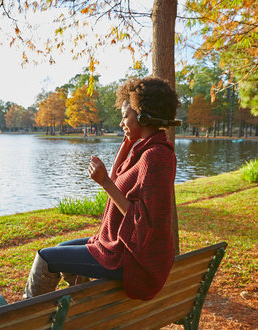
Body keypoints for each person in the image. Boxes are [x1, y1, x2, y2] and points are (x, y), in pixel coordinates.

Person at [23, 77, 180, 300]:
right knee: (61, 248)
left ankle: (26, 321)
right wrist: (126, 144)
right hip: (117, 246)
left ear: (144, 116)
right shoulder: (145, 150)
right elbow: (117, 179)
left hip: (130, 258)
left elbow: (143, 222)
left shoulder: (155, 156)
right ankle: (81, 311)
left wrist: (104, 182)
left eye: (126, 115)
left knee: (46, 258)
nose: (121, 122)